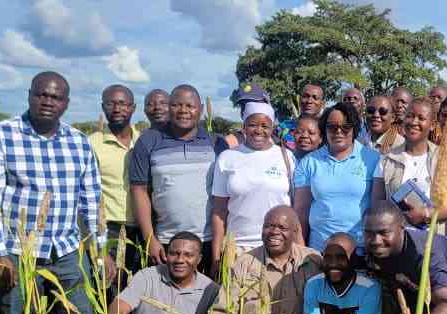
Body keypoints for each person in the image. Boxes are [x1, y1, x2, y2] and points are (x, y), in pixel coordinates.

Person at [0, 71, 113, 314]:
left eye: (56, 97)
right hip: (17, 251)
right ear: (30, 95)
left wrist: (101, 250)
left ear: (66, 104)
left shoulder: (78, 142)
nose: (48, 101)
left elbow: (91, 201)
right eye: (41, 94)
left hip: (67, 250)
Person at [130, 84, 229, 276]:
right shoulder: (149, 141)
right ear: (169, 107)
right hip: (167, 243)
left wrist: (221, 245)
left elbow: (226, 196)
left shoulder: (216, 143)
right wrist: (150, 239)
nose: (183, 111)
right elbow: (139, 190)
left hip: (208, 241)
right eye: (176, 105)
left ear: (200, 108)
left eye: (190, 106)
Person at [211, 102, 295, 275]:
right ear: (243, 127)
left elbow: (294, 208)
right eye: (253, 124)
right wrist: (216, 256)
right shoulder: (227, 158)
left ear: (272, 128)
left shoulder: (285, 156)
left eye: (265, 125)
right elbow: (219, 211)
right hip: (237, 249)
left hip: (277, 247)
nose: (259, 130)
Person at [230, 206, 322, 314]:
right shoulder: (244, 263)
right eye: (268, 226)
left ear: (295, 231)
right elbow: (224, 313)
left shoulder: (312, 261)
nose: (274, 232)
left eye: (282, 227)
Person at [293, 102, 380, 252]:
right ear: (324, 130)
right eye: (332, 127)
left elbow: (377, 210)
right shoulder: (309, 162)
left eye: (345, 127)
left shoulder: (372, 159)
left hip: (360, 251)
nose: (338, 131)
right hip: (319, 251)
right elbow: (301, 212)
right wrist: (301, 253)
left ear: (354, 128)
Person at [372, 98, 447, 229]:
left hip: (433, 242)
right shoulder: (386, 160)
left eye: (421, 118)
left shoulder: (444, 159)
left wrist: (426, 214)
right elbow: (377, 205)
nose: (414, 122)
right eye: (410, 116)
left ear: (432, 125)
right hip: (396, 243)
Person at [91, 84, 143, 291]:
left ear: (133, 108)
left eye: (122, 103)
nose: (117, 108)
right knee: (109, 289)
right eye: (110, 103)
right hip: (110, 228)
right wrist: (99, 246)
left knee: (138, 289)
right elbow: (87, 195)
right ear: (103, 107)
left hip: (143, 229)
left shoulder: (144, 141)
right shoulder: (92, 144)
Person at [279, 83, 325, 151]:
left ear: (323, 103)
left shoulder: (328, 129)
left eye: (315, 98)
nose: (309, 101)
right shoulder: (283, 127)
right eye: (305, 96)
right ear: (300, 100)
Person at [226, 82, 273, 148]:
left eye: (253, 104)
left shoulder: (279, 142)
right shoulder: (230, 143)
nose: (246, 109)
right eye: (243, 105)